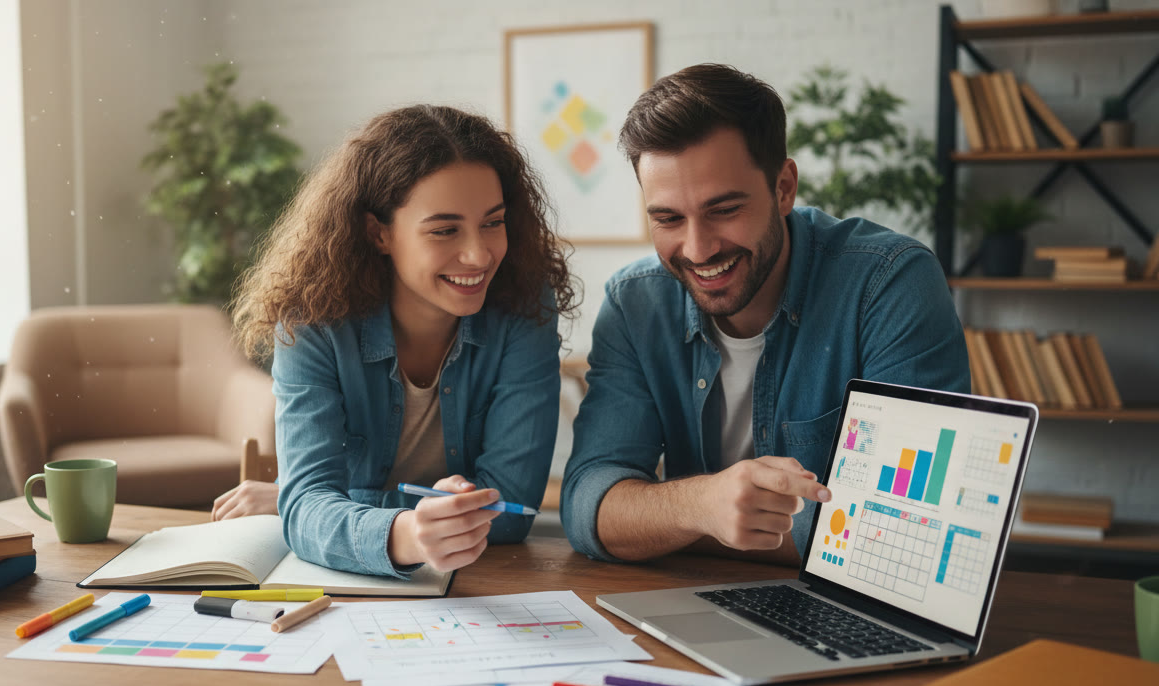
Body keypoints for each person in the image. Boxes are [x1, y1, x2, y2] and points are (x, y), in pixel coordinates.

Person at [562, 64, 970, 566]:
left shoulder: (888, 283)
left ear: (783, 188)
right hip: (694, 605)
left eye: (724, 209)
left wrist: (664, 519)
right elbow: (588, 505)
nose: (697, 248)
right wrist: (703, 505)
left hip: (835, 612)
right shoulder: (635, 303)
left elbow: (910, 524)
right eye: (668, 218)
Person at [218, 105, 576, 578]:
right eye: (445, 230)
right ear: (379, 233)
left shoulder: (524, 307)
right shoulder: (313, 319)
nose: (478, 253)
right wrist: (404, 533)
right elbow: (305, 509)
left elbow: (510, 510)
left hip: (479, 587)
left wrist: (325, 505)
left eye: (493, 221)